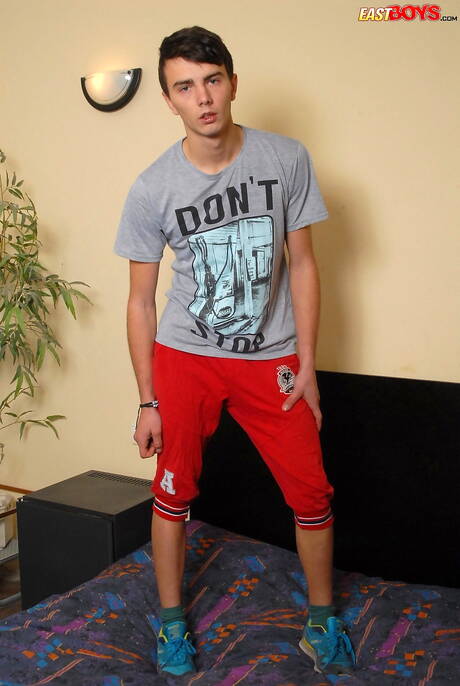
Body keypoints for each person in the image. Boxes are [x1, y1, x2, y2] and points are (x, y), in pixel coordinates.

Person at [114, 25, 356, 678]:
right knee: (172, 491)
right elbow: (140, 302)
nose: (202, 98)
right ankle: (171, 624)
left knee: (312, 493)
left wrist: (307, 364)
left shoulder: (286, 158)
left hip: (270, 356)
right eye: (185, 87)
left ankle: (321, 620)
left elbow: (303, 265)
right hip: (186, 357)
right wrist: (147, 400)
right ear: (169, 100)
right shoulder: (152, 187)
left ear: (232, 83)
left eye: (212, 80)